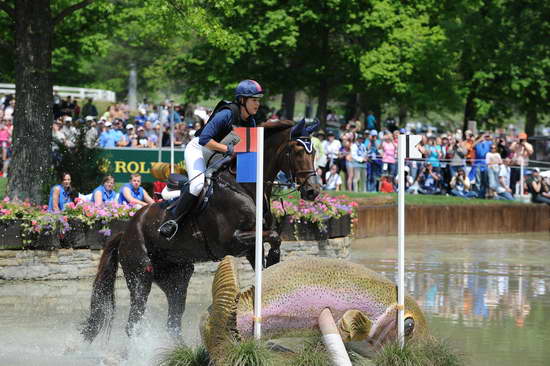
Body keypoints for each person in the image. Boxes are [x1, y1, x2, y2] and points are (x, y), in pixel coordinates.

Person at [158, 79, 263, 239]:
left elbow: (249, 152)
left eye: (258, 100)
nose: (257, 104)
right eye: (254, 100)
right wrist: (229, 149)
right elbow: (204, 139)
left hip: (218, 158)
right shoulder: (226, 114)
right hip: (198, 151)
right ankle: (173, 222)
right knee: (198, 185)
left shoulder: (251, 122)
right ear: (242, 100)